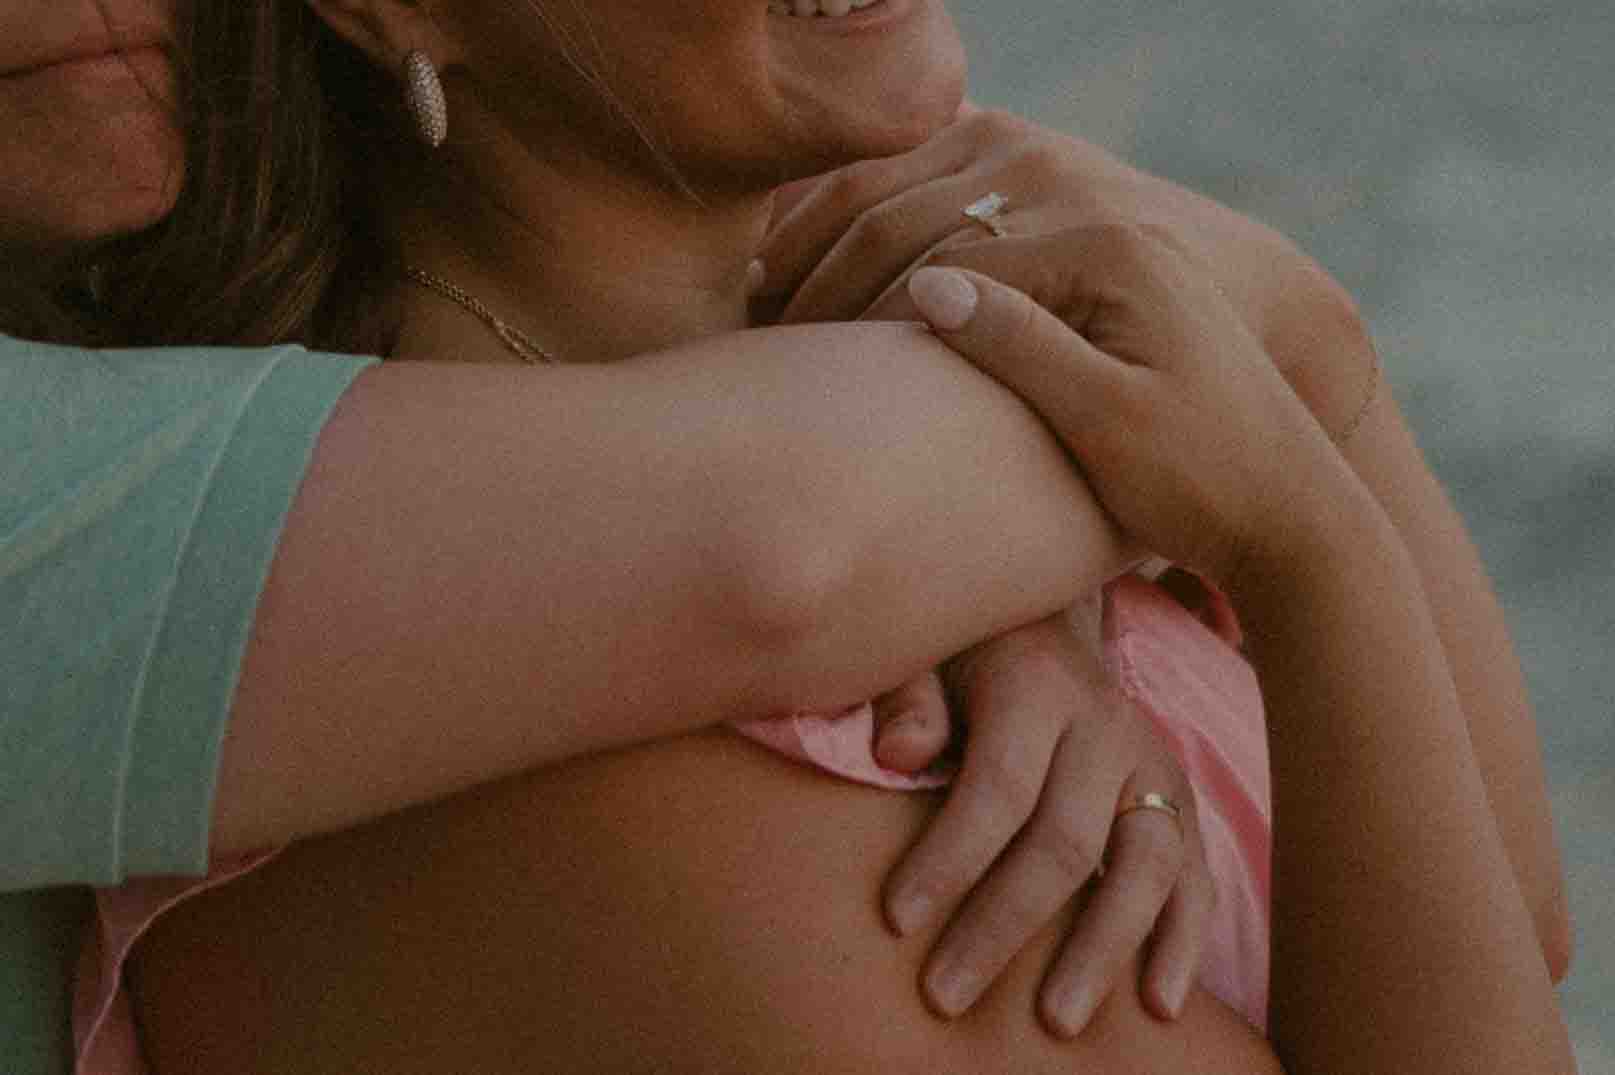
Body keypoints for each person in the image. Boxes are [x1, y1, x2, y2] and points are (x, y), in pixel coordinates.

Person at [94, 0, 1567, 1073]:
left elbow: (1514, 928)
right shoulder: (564, 771)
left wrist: (1303, 334)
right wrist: (1309, 546)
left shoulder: (942, 358)